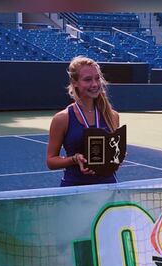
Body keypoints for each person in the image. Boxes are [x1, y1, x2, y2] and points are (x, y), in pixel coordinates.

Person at [46, 56, 121, 186]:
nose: (95, 84)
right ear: (74, 82)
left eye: (97, 78)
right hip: (75, 189)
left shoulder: (113, 116)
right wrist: (74, 159)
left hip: (108, 188)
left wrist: (117, 157)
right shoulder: (62, 118)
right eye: (88, 79)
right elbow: (51, 161)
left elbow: (115, 159)